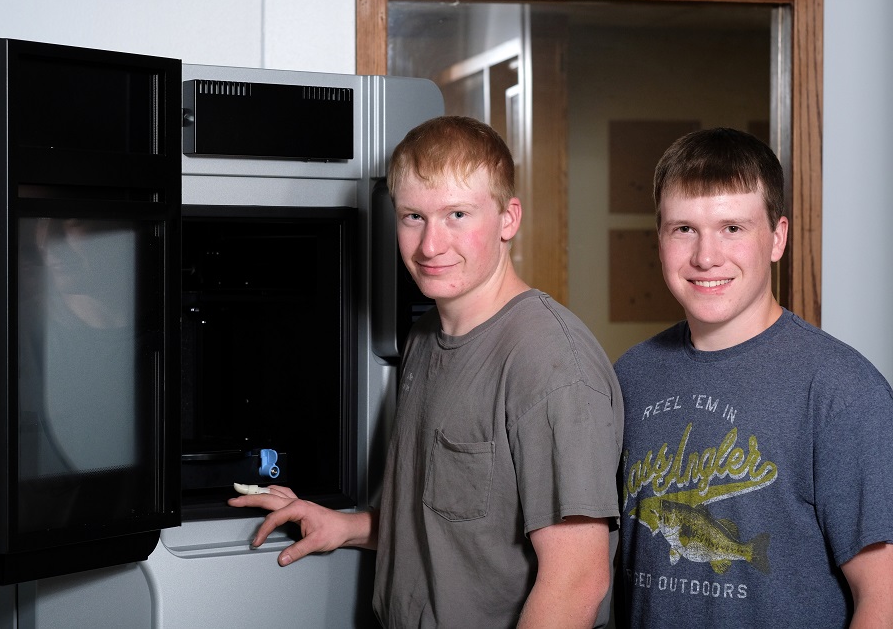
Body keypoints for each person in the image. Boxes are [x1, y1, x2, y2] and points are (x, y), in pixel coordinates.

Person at [229, 115, 624, 628]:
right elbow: (452, 526)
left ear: (508, 218)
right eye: (413, 216)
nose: (430, 245)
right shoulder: (425, 338)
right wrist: (345, 527)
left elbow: (577, 582)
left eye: (458, 214)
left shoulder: (549, 364)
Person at [616, 127, 893, 627]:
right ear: (659, 239)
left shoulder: (843, 391)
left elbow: (884, 596)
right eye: (684, 229)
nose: (706, 256)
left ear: (777, 238)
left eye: (733, 228)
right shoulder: (629, 376)